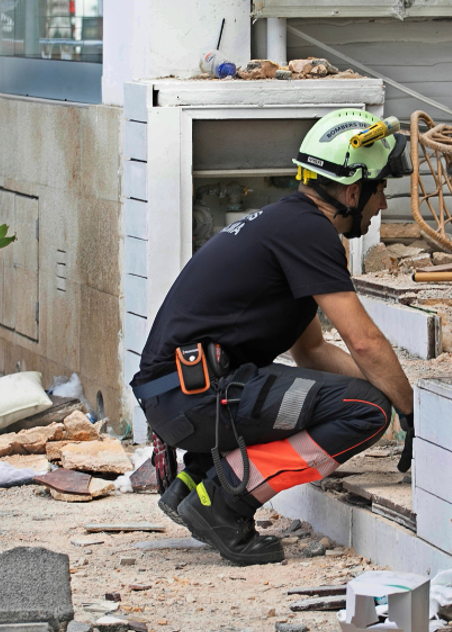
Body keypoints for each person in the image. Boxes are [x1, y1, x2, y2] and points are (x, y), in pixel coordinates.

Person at [131, 108, 416, 566]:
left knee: (359, 397)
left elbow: (313, 351)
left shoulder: (287, 224)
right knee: (366, 412)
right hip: (194, 398)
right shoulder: (309, 233)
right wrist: (404, 406)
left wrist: (390, 387)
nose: (382, 203)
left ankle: (195, 483)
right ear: (351, 190)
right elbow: (363, 341)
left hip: (179, 397)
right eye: (379, 188)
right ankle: (224, 504)